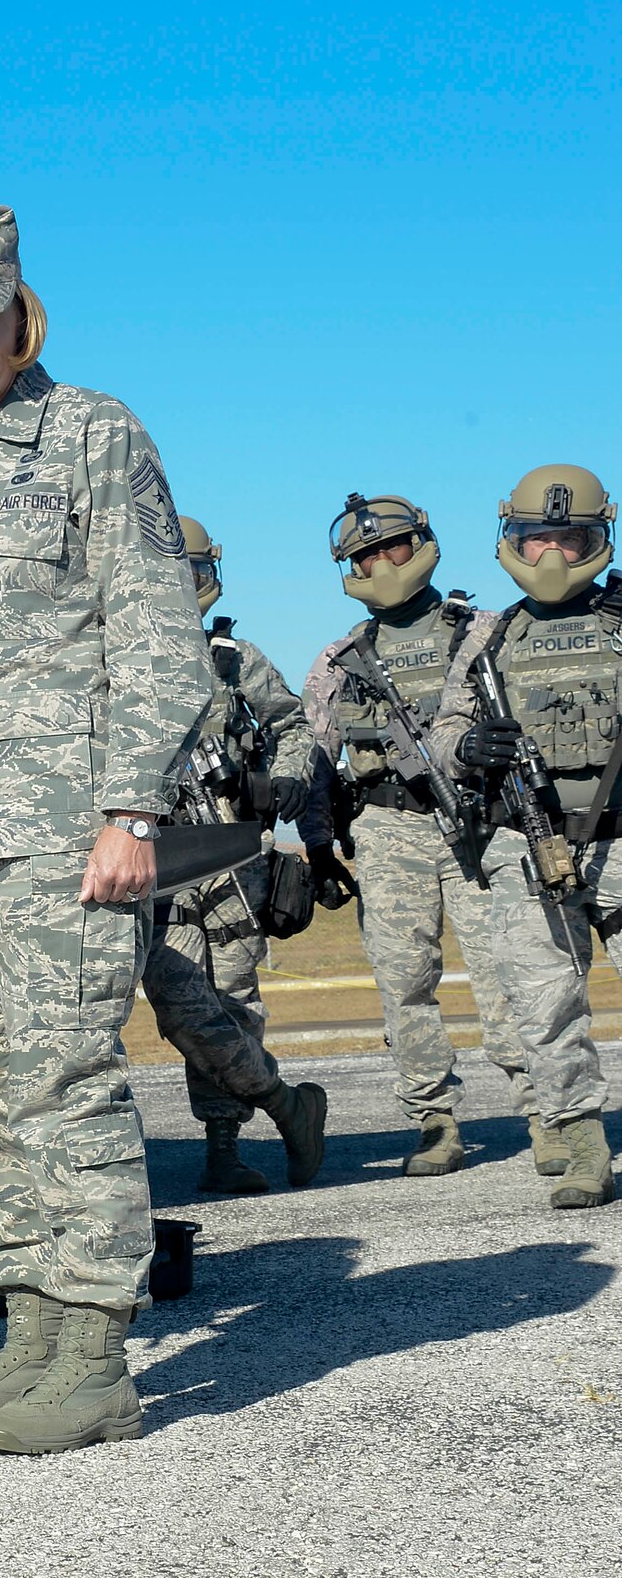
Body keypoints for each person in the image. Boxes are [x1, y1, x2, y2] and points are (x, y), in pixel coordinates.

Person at [0, 205, 211, 1456]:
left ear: (23, 315)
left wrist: (133, 810)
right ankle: (34, 1330)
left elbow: (160, 635)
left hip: (65, 827)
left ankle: (101, 1352)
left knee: (65, 1082)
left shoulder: (93, 435)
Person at [300, 493, 552, 1178]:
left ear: (422, 543)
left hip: (477, 824)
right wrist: (318, 847)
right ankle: (433, 1121)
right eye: (364, 555)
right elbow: (315, 759)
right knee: (402, 983)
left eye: (392, 547)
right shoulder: (340, 658)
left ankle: (543, 1111)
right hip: (382, 831)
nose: (380, 562)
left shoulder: (484, 630)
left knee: (508, 974)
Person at [432, 465, 622, 1209]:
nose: (551, 555)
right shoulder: (490, 633)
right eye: (536, 537)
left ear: (595, 538)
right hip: (527, 843)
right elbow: (444, 727)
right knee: (542, 1008)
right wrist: (466, 748)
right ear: (511, 538)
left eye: (569, 538)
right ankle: (580, 1146)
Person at [139, 517, 327, 1194]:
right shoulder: (109, 658)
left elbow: (291, 724)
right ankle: (286, 1104)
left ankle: (223, 1147)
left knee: (233, 1001)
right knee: (179, 1001)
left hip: (229, 859)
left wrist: (288, 777)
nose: (174, 586)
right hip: (151, 862)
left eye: (185, 573)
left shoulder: (231, 658)